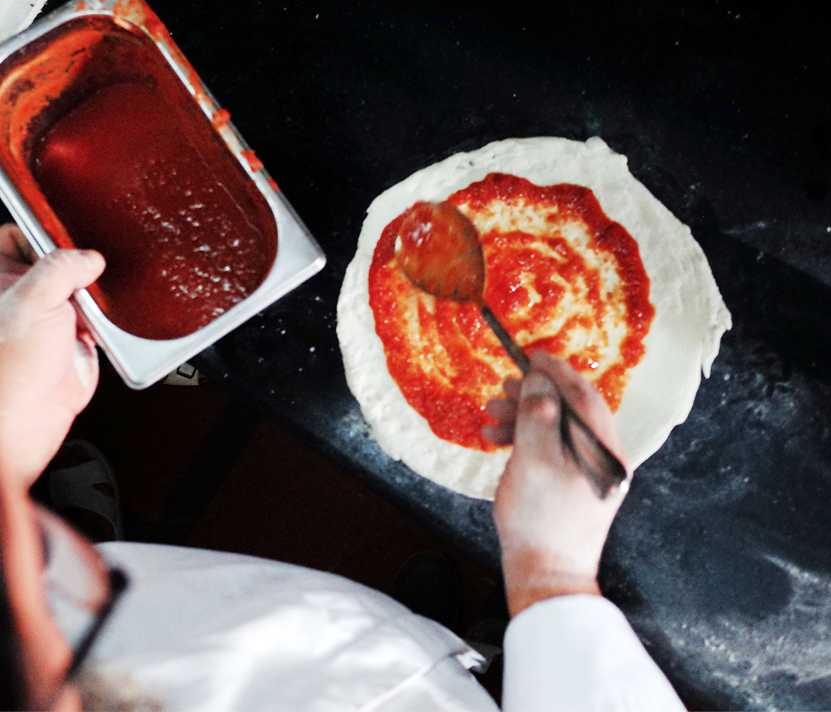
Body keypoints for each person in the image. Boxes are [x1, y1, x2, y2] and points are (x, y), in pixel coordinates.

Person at [0, 223, 685, 711]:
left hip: (265, 621)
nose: (94, 568)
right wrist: (549, 581)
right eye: (53, 567)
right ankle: (496, 658)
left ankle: (434, 633)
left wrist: (10, 444)